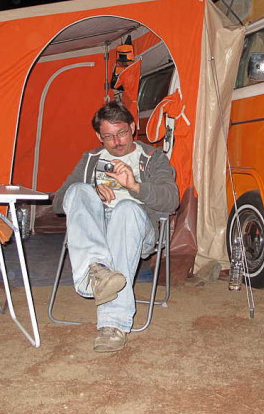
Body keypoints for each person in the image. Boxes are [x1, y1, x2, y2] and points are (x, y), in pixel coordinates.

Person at [52, 100, 179, 352]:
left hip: (136, 228)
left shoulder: (152, 158)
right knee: (78, 190)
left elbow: (171, 200)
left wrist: (134, 187)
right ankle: (97, 271)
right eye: (108, 136)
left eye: (121, 133)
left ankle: (113, 323)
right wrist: (92, 191)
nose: (117, 142)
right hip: (96, 232)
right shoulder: (90, 159)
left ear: (133, 127)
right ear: (99, 136)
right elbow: (59, 202)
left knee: (126, 209)